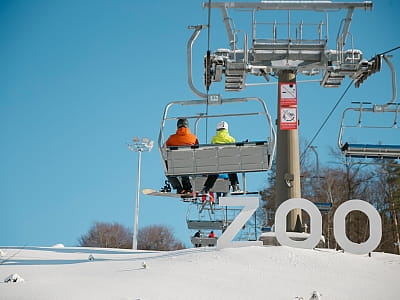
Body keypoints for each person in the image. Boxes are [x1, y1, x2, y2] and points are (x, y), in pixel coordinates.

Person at [200, 121, 240, 194]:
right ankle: (234, 186)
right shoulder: (231, 139)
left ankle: (207, 188)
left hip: (217, 162)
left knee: (215, 172)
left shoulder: (214, 139)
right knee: (231, 169)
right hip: (228, 162)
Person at [165, 118, 199, 194]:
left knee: (168, 170)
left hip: (176, 165)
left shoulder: (172, 138)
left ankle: (179, 188)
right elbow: (197, 148)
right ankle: (188, 188)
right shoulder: (193, 138)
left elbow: (164, 148)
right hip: (190, 164)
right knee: (185, 164)